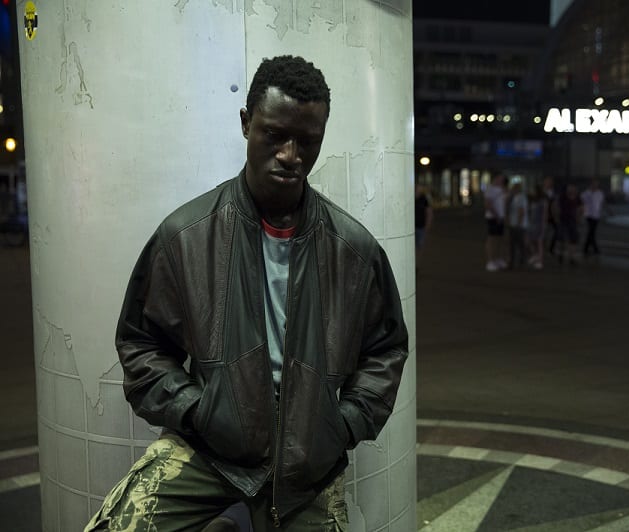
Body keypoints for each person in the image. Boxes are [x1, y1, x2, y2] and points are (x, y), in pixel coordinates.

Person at [86, 55, 409, 532]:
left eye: (308, 142)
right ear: (246, 124)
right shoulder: (187, 236)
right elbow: (140, 343)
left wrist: (340, 426)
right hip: (212, 453)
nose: (290, 155)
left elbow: (385, 350)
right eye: (275, 136)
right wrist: (197, 411)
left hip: (306, 466)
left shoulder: (353, 250)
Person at [484, 173, 508, 272]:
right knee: (492, 239)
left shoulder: (501, 189)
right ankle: (490, 260)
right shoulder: (490, 189)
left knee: (500, 238)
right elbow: (488, 204)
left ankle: (498, 258)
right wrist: (497, 215)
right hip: (493, 217)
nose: (501, 181)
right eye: (500, 178)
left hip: (501, 217)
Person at [557, 183, 583, 265]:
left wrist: (579, 217)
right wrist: (556, 217)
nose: (571, 190)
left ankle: (572, 257)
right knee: (562, 238)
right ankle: (561, 254)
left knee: (573, 239)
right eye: (569, 188)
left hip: (573, 221)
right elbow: (556, 207)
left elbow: (581, 208)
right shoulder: (562, 197)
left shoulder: (577, 198)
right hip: (563, 220)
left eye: (572, 188)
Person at [581, 179, 607, 257]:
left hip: (596, 215)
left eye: (596, 184)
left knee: (591, 232)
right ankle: (594, 249)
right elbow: (582, 202)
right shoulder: (586, 193)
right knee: (591, 231)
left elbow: (602, 203)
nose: (595, 186)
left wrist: (605, 211)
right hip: (588, 214)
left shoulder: (600, 193)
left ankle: (586, 248)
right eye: (593, 184)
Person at [506, 181, 528, 270]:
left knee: (517, 244)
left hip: (517, 225)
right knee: (517, 244)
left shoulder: (520, 198)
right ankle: (518, 261)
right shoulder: (515, 197)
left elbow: (521, 212)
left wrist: (518, 223)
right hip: (515, 223)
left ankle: (517, 261)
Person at [526, 185, 547, 270]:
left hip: (539, 224)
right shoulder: (531, 201)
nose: (531, 192)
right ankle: (535, 255)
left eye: (532, 190)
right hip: (531, 223)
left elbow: (545, 214)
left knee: (539, 242)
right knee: (529, 240)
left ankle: (540, 261)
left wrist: (544, 225)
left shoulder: (543, 201)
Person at [414, 183, 433, 267]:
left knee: (420, 246)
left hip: (421, 227)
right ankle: (413, 263)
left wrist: (428, 224)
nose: (417, 189)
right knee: (412, 247)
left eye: (419, 188)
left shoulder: (424, 199)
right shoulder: (411, 198)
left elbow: (429, 212)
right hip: (412, 228)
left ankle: (417, 264)